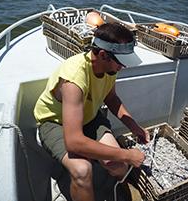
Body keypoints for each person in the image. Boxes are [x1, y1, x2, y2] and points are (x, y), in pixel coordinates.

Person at [34, 22, 150, 201]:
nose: (123, 67)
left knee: (118, 165)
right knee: (82, 170)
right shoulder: (74, 80)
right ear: (103, 55)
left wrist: (134, 127)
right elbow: (74, 142)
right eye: (121, 62)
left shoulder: (110, 67)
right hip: (55, 123)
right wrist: (128, 154)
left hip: (89, 117)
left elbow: (110, 99)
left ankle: (124, 188)